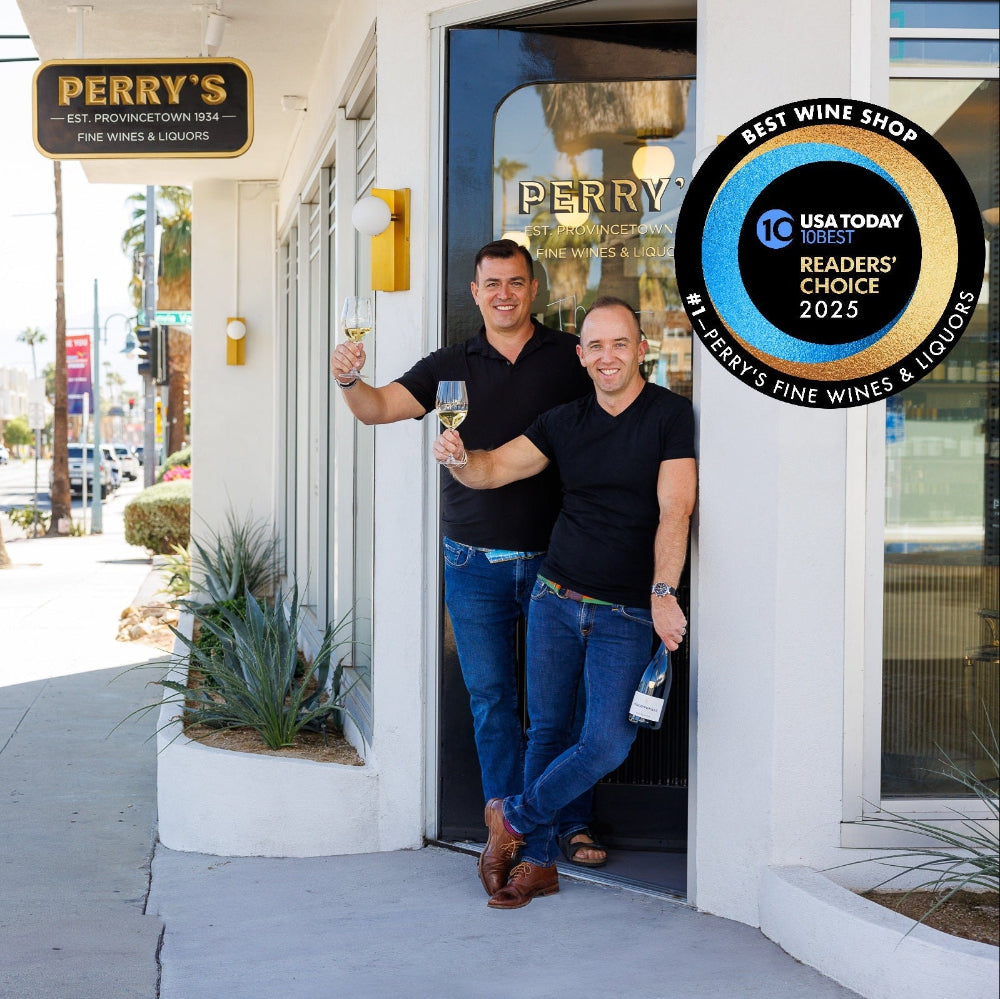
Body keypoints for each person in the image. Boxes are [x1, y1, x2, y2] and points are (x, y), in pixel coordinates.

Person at [331, 239, 606, 878]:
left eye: (515, 282)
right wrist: (348, 378)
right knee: (492, 699)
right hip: (472, 563)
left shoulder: (570, 357)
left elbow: (618, 410)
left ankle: (567, 818)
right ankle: (503, 824)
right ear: (475, 292)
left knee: (559, 702)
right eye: (492, 284)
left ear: (532, 289)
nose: (503, 294)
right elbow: (376, 409)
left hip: (557, 563)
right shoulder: (452, 363)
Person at [433, 296, 697, 909]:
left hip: (628, 611)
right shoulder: (565, 420)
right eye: (596, 346)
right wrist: (461, 461)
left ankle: (514, 820)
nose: (608, 357)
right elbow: (494, 468)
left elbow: (675, 510)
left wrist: (663, 593)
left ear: (642, 349)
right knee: (546, 731)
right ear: (581, 356)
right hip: (556, 597)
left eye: (620, 344)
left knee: (607, 739)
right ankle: (541, 864)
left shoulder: (669, 417)